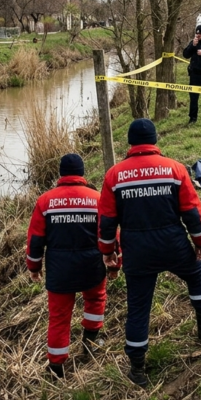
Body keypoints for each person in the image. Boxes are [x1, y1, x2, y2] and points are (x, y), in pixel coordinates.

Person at [97, 119, 201, 387]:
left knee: (139, 307)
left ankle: (137, 369)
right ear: (155, 141)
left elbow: (106, 221)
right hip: (173, 244)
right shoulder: (175, 169)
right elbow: (192, 212)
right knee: (197, 276)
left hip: (137, 250)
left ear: (129, 143)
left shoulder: (114, 176)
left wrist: (108, 251)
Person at [26, 153, 119, 378]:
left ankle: (56, 367)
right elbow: (110, 233)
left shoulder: (46, 201)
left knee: (59, 316)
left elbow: (36, 239)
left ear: (61, 173)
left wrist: (34, 267)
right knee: (95, 300)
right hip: (92, 266)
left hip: (59, 271)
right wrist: (115, 264)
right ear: (82, 173)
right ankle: (90, 342)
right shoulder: (97, 198)